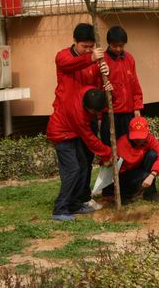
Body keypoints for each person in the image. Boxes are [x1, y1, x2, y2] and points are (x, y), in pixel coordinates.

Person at [52, 23, 111, 211]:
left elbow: (96, 90)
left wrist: (105, 80)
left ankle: (82, 198)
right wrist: (91, 58)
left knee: (85, 161)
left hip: (87, 114)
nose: (87, 50)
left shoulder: (95, 62)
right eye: (84, 46)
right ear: (75, 42)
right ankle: (67, 202)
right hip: (68, 118)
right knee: (74, 166)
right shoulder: (63, 56)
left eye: (91, 46)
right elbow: (68, 65)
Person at [47, 86, 112, 221]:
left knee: (83, 166)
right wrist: (108, 153)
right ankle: (60, 209)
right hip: (61, 135)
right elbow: (90, 139)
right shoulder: (79, 114)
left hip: (72, 133)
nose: (94, 113)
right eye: (93, 111)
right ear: (86, 106)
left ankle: (75, 205)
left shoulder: (89, 91)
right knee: (73, 170)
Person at [102, 116, 159, 204]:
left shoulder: (150, 139)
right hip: (125, 175)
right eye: (136, 136)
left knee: (152, 155)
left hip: (139, 168)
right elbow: (108, 168)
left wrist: (152, 175)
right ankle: (127, 194)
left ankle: (150, 193)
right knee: (143, 175)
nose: (139, 139)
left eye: (142, 136)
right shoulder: (121, 144)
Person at [98, 26, 144, 143]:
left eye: (121, 46)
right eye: (115, 46)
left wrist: (137, 107)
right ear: (109, 44)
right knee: (110, 144)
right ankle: (111, 162)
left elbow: (135, 84)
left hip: (128, 112)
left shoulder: (130, 59)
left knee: (128, 145)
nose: (118, 49)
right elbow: (97, 87)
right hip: (110, 112)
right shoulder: (102, 60)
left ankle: (124, 162)